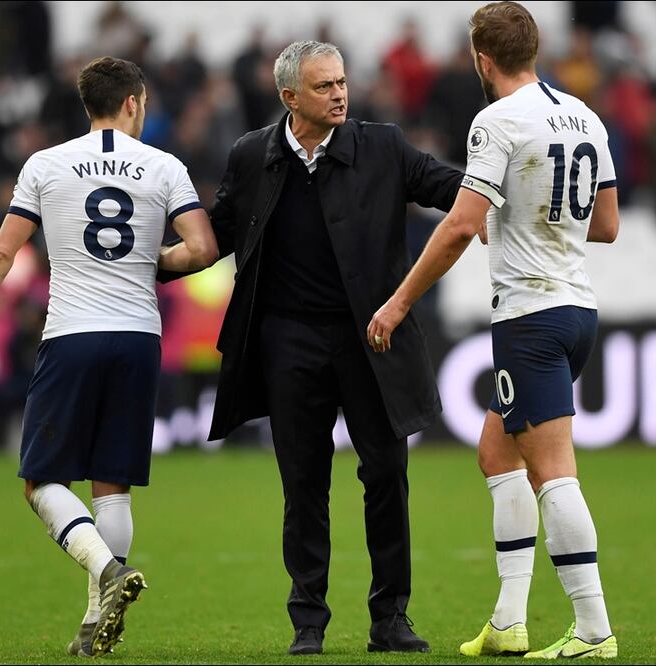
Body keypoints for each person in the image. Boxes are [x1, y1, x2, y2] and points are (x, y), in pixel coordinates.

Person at [160, 40, 462, 656]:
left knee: (387, 473)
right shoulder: (252, 154)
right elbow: (218, 235)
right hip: (289, 341)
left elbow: (452, 188)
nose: (340, 94)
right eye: (325, 86)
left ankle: (390, 618)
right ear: (289, 96)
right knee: (302, 484)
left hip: (371, 336)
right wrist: (151, 263)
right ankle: (308, 621)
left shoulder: (383, 146)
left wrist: (511, 185)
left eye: (342, 82)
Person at [0, 56, 218, 657]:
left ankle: (108, 572)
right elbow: (204, 248)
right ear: (133, 102)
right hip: (138, 338)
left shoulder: (45, 164)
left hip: (73, 334)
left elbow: (1, 254)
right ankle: (94, 625)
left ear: (89, 105)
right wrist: (149, 261)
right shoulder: (165, 166)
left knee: (40, 481)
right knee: (112, 486)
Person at [366, 2, 620, 659]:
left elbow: (458, 225)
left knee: (553, 473)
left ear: (482, 59)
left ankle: (594, 629)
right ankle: (508, 620)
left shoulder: (497, 119)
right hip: (576, 310)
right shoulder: (583, 115)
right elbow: (606, 225)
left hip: (530, 315)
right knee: (496, 453)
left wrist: (398, 303)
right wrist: (535, 216)